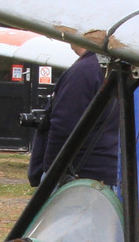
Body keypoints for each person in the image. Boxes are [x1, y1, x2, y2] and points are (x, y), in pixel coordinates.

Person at [27, 45, 120, 186]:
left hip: (78, 177)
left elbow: (63, 126)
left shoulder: (83, 71)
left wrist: (53, 173)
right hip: (100, 172)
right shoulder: (110, 67)